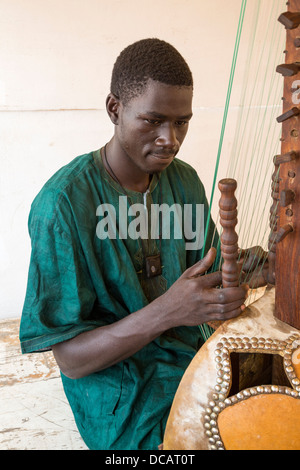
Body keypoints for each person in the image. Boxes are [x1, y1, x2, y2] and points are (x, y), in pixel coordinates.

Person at [19, 38, 256, 450]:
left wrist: (264, 264)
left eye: (182, 122)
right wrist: (166, 311)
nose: (171, 139)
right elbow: (72, 361)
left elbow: (212, 275)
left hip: (192, 360)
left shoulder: (183, 180)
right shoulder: (62, 204)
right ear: (115, 109)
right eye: (153, 121)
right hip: (120, 397)